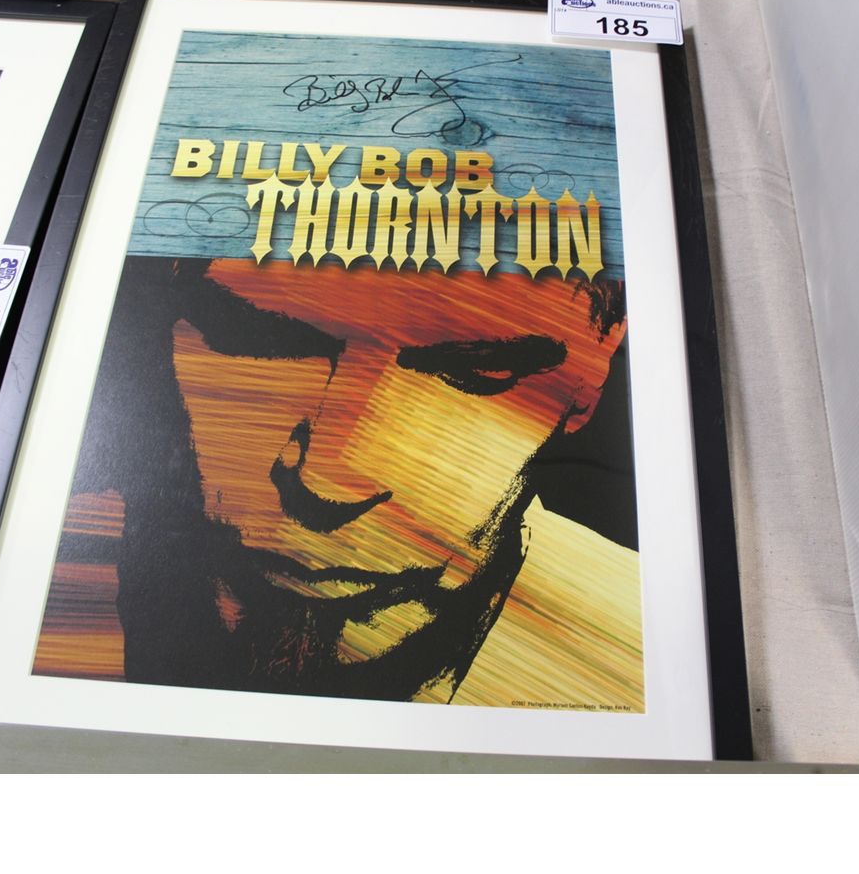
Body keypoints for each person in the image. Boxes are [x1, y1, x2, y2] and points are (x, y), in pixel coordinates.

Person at [63, 253, 645, 711]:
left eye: (473, 375)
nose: (327, 485)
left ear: (590, 383)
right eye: (254, 337)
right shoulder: (47, 610)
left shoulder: (637, 662)